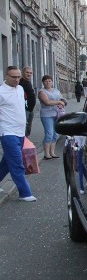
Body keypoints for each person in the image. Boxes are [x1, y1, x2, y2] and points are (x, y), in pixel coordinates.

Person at [0, 66, 36, 201]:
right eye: (13, 77)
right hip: (7, 132)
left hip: (20, 132)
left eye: (18, 77)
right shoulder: (1, 92)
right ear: (6, 76)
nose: (16, 79)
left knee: (6, 163)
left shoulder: (20, 89)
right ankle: (25, 193)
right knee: (16, 163)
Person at [38, 74, 65, 160]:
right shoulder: (42, 92)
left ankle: (52, 152)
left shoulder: (56, 90)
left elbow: (63, 100)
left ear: (52, 82)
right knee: (49, 134)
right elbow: (47, 102)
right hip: (46, 115)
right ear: (43, 83)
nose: (48, 83)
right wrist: (59, 102)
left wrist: (63, 102)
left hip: (57, 114)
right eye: (45, 81)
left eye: (49, 81)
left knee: (55, 134)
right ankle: (46, 153)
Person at [20, 66, 36, 137]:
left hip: (30, 109)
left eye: (30, 73)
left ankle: (25, 143)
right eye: (27, 72)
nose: (29, 74)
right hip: (24, 109)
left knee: (28, 128)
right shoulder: (20, 82)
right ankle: (23, 144)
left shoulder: (28, 82)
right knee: (24, 128)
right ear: (23, 72)